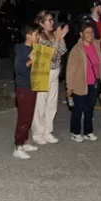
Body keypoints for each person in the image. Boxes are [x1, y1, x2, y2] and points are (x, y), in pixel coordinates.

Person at [31, 11, 68, 145]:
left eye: (52, 20)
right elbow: (50, 57)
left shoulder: (53, 35)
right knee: (41, 104)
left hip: (55, 73)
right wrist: (57, 40)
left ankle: (47, 131)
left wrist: (61, 38)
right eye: (49, 20)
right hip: (44, 73)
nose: (52, 22)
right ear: (41, 23)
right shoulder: (40, 37)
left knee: (52, 104)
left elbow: (62, 51)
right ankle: (37, 133)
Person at [65, 23, 101, 143]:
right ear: (81, 34)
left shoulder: (96, 46)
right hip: (80, 84)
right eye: (87, 32)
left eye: (92, 32)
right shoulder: (77, 50)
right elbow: (70, 70)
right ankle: (75, 132)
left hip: (93, 84)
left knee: (89, 109)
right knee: (77, 109)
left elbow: (99, 66)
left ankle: (88, 131)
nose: (90, 34)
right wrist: (69, 87)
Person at [13, 24, 41, 159]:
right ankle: (18, 146)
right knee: (23, 117)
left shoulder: (33, 48)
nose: (38, 37)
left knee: (29, 116)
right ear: (28, 36)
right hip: (24, 87)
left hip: (32, 86)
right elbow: (19, 70)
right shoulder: (21, 50)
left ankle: (24, 141)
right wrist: (30, 61)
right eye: (36, 34)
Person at [80, 0, 101, 117]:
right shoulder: (87, 21)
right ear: (96, 6)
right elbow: (87, 40)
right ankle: (85, 111)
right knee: (88, 85)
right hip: (90, 59)